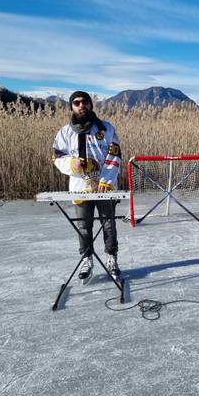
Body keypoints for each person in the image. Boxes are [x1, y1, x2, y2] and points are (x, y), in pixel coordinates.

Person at [52, 91, 122, 283]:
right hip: (80, 187)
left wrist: (106, 180)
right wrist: (71, 163)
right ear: (71, 107)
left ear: (91, 105)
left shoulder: (106, 128)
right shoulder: (65, 132)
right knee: (83, 226)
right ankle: (87, 260)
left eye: (85, 102)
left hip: (104, 187)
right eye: (76, 102)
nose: (81, 105)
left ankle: (111, 258)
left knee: (109, 224)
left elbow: (114, 155)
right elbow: (57, 157)